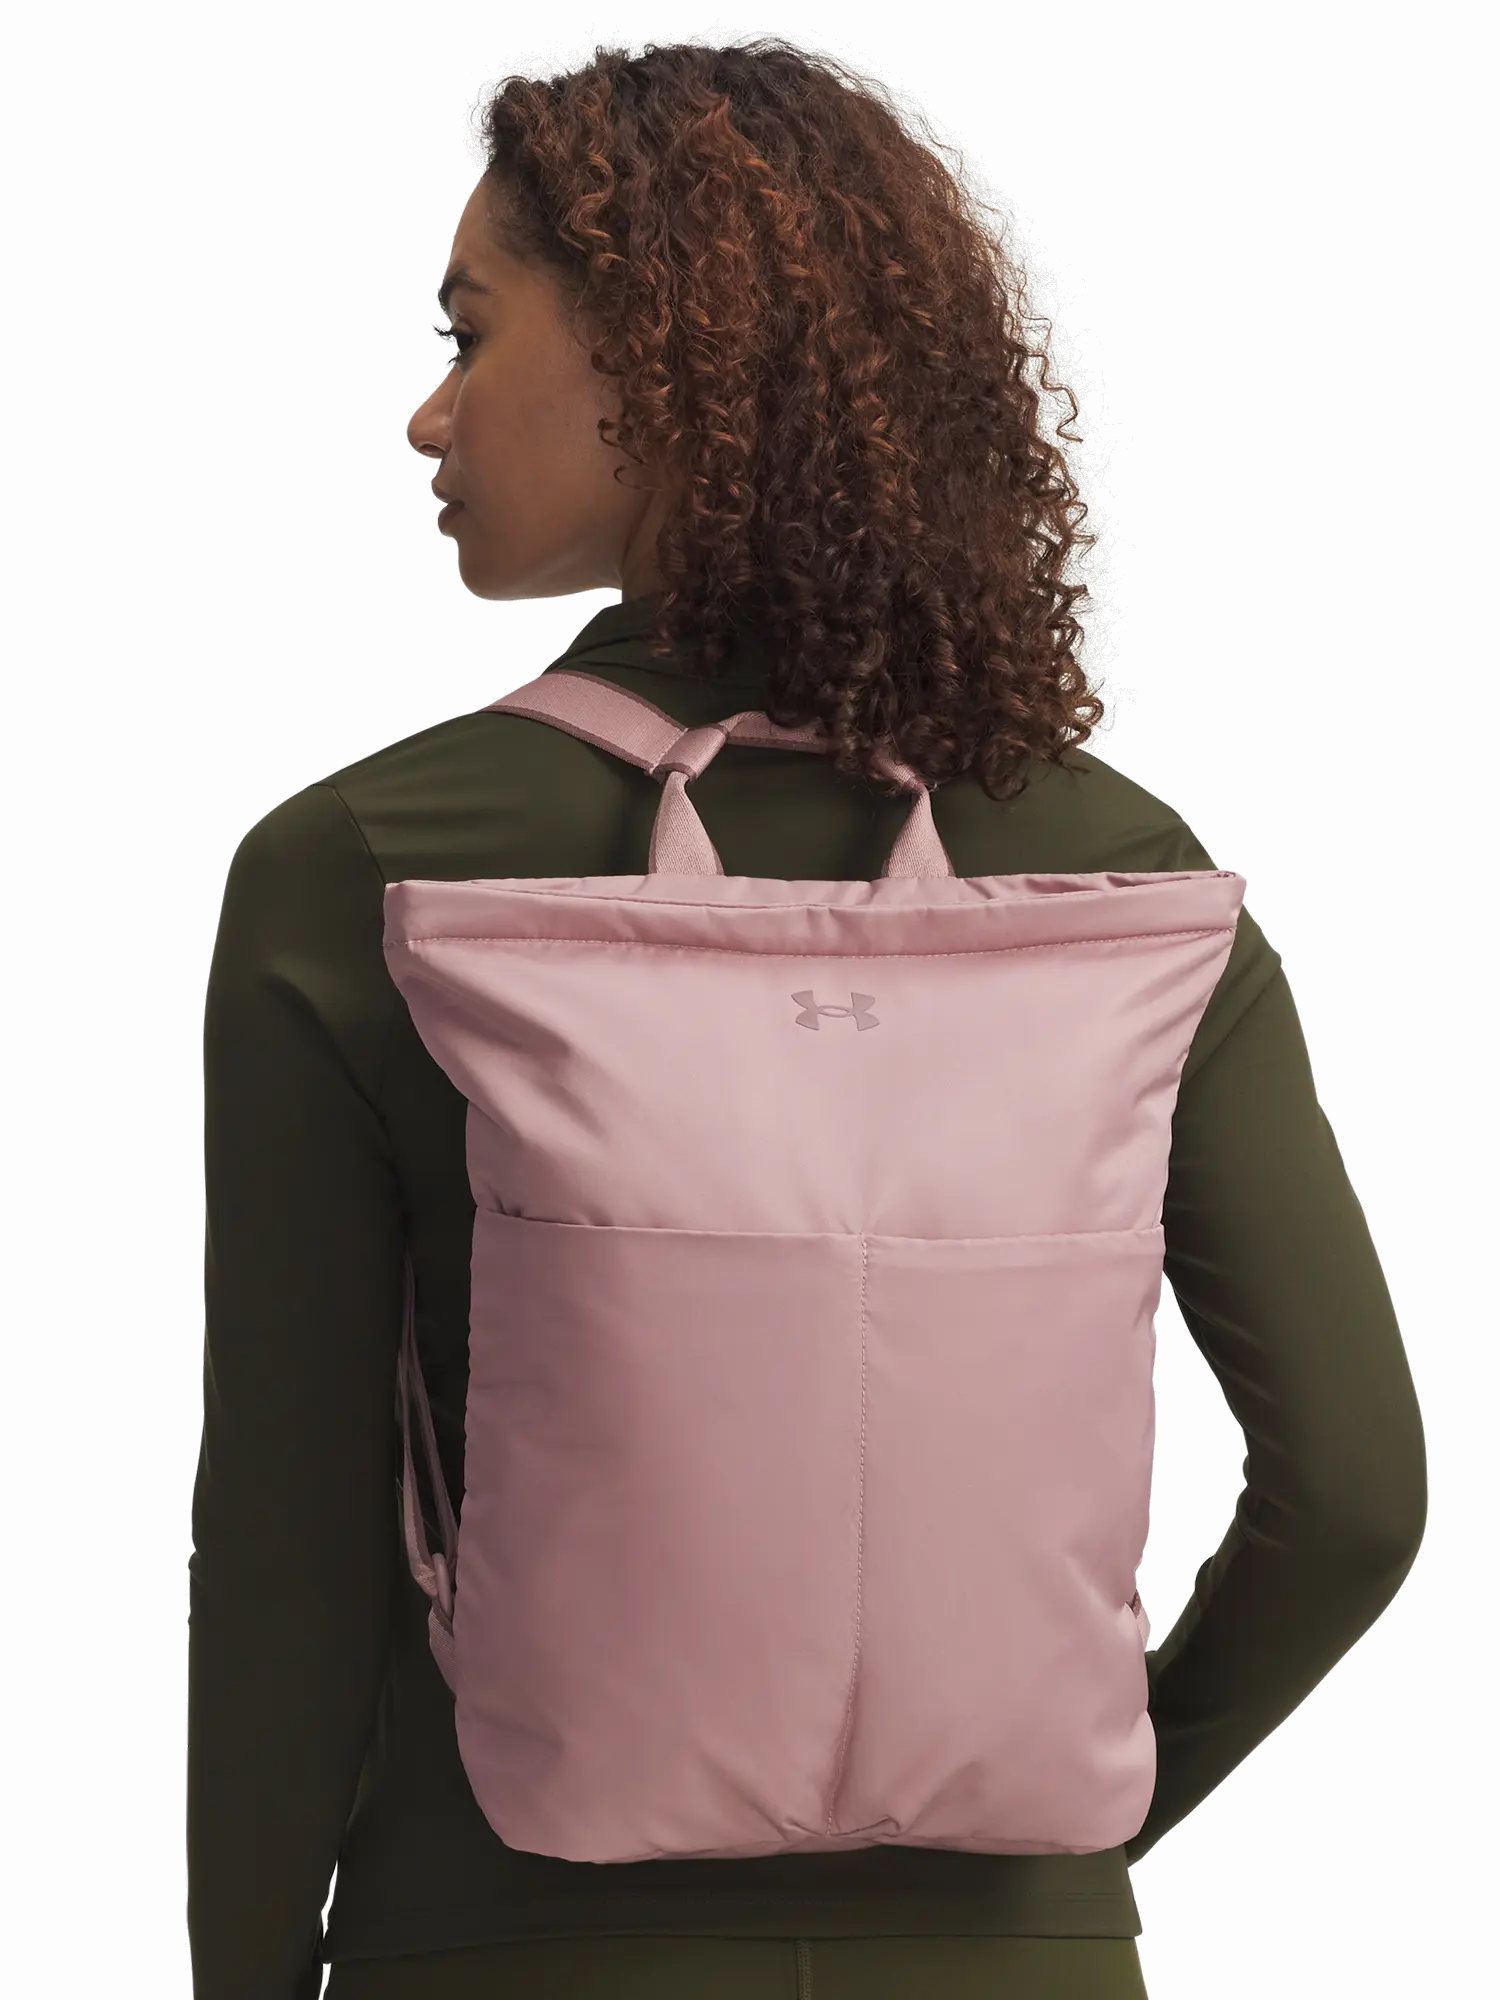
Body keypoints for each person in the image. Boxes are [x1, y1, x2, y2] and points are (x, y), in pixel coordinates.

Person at [185, 37, 1427, 2000]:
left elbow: (291, 1551)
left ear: (657, 356)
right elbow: (1355, 1493)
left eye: (468, 333)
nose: (430, 413)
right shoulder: (1119, 872)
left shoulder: (364, 865)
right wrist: (1067, 1843)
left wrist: (246, 1964)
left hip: (508, 1948)